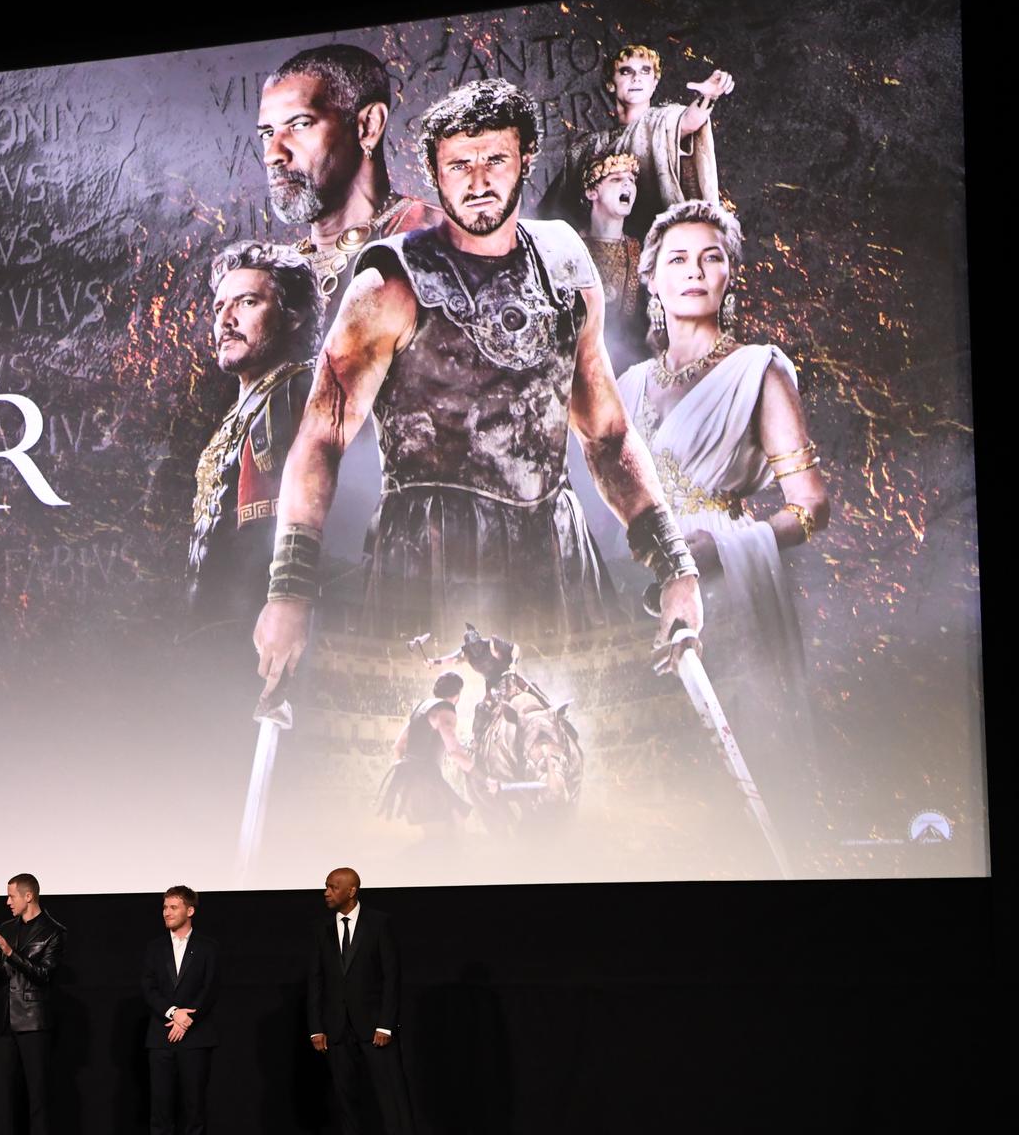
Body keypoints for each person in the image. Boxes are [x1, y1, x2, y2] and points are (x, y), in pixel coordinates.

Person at [253, 78, 703, 685]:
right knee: (430, 755)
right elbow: (321, 437)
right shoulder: (391, 281)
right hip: (429, 556)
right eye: (458, 164)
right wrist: (289, 587)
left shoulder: (567, 266)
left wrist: (674, 563)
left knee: (568, 748)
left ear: (524, 161)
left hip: (554, 554)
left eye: (495, 158)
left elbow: (607, 434)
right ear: (436, 174)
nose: (478, 178)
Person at [616, 200, 830, 812]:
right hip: (637, 585)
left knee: (736, 776)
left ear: (729, 274)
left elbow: (812, 506)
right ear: (651, 277)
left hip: (728, 587)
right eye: (678, 259)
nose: (694, 271)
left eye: (711, 258)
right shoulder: (627, 386)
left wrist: (725, 545)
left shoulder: (757, 372)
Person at [188, 242, 325, 622]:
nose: (225, 320)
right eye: (219, 308)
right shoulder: (249, 405)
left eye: (247, 302)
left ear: (292, 316)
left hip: (252, 638)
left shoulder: (293, 394)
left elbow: (269, 539)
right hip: (211, 637)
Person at [257, 43, 440, 309]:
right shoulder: (272, 279)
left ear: (368, 126)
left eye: (299, 125)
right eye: (267, 133)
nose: (272, 154)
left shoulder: (446, 243)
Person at [307, 867, 431, 1135]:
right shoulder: (321, 928)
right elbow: (316, 980)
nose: (326, 892)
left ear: (351, 890)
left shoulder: (379, 923)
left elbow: (391, 976)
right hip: (336, 1028)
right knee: (347, 1097)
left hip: (375, 1027)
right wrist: (316, 1027)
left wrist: (386, 1024)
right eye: (326, 887)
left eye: (332, 887)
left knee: (392, 1095)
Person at [547, 45, 735, 241]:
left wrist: (709, 97)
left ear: (654, 83)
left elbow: (688, 121)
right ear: (611, 82)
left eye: (645, 71)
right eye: (626, 71)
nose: (636, 78)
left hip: (655, 254)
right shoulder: (586, 147)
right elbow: (554, 213)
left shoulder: (661, 123)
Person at [0, 873, 66, 1135]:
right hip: (4, 1018)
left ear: (28, 897)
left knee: (36, 1092)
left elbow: (43, 975)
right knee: (1, 1092)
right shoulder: (6, 928)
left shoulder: (53, 932)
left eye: (11, 896)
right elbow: (4, 973)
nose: (7, 902)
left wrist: (11, 954)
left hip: (33, 1020)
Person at [139, 885, 219, 1135]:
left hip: (197, 1036)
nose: (167, 913)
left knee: (194, 1102)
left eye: (173, 907)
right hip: (160, 1034)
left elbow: (209, 989)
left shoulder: (209, 947)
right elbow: (148, 987)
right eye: (164, 908)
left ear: (190, 910)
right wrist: (173, 1013)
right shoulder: (154, 947)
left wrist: (187, 1020)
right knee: (160, 1102)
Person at [578, 151, 648, 377]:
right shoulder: (570, 247)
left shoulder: (642, 251)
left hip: (628, 369)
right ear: (592, 192)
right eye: (616, 179)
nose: (627, 184)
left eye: (632, 181)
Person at [379, 671, 472, 831]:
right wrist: (477, 774)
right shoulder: (445, 711)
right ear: (457, 695)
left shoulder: (421, 710)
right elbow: (455, 752)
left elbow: (398, 746)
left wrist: (404, 774)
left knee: (434, 836)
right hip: (427, 780)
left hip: (406, 780)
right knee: (458, 817)